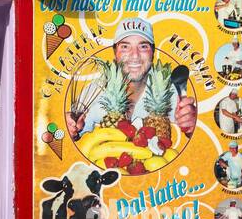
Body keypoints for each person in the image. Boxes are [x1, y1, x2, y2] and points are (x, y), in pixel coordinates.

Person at [68, 18, 197, 140]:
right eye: (125, 46)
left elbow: (196, 140)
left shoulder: (170, 89)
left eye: (143, 46)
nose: (135, 55)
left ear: (152, 52)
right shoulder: (93, 91)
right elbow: (76, 141)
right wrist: (71, 130)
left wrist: (192, 126)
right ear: (115, 52)